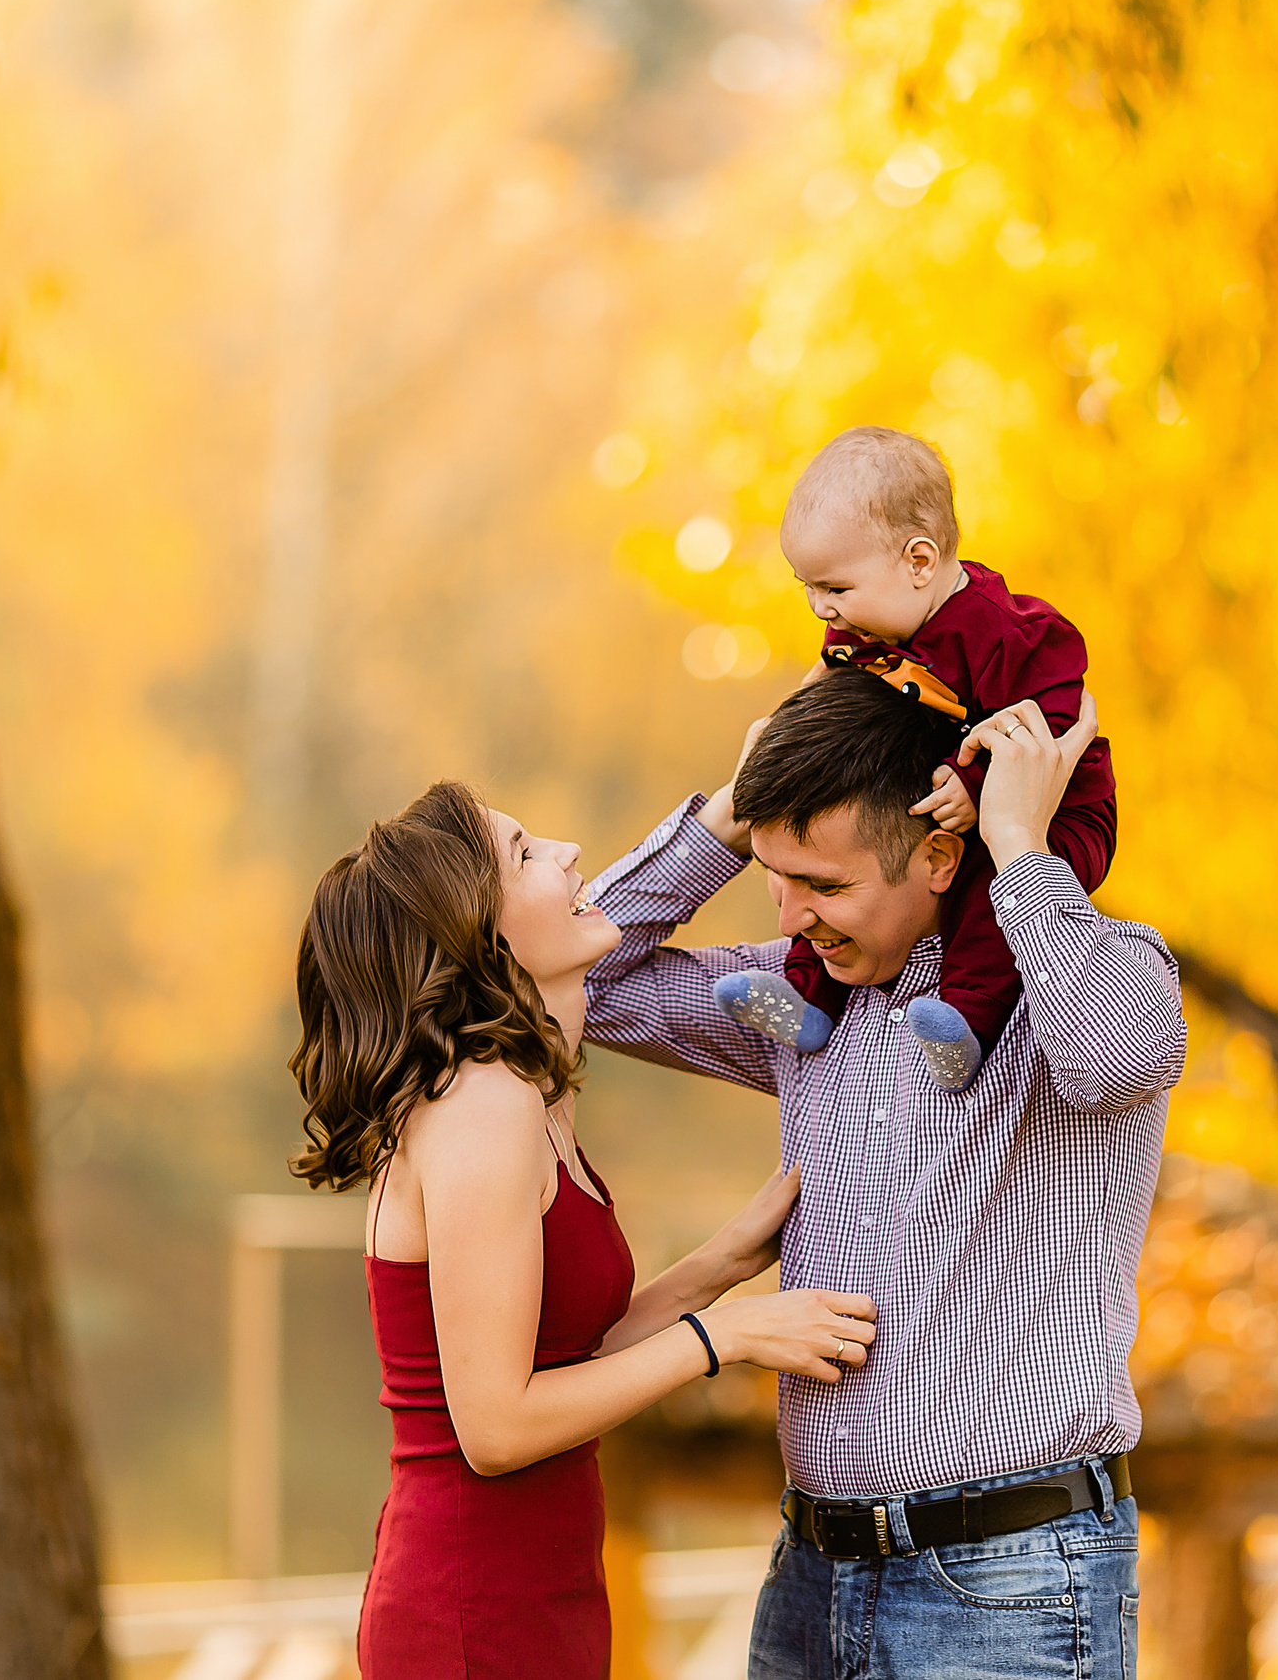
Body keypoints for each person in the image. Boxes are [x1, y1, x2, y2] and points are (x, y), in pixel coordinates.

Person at [584, 669, 1186, 1680]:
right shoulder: (798, 1002)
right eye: (774, 875)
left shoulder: (1078, 983)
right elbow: (573, 980)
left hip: (1009, 1589)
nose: (792, 915)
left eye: (825, 886)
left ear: (941, 854)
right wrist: (730, 815)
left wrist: (1020, 846)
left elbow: (1121, 1058)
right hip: (812, 1577)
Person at [286, 780, 880, 1680]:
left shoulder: (526, 1093)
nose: (567, 853)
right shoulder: (481, 1105)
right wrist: (725, 1336)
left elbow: (569, 1358)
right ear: (478, 934)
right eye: (524, 853)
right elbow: (495, 1426)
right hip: (472, 1611)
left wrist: (718, 1265)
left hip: (540, 1591)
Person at [712, 425, 1116, 1092]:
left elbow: (1051, 725)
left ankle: (968, 1019)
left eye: (834, 587)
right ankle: (806, 997)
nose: (821, 607)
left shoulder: (1005, 633)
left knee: (986, 892)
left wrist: (976, 785)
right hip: (943, 814)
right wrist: (786, 742)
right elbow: (830, 681)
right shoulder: (874, 621)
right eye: (806, 586)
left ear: (920, 562)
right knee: (819, 863)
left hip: (1051, 816)